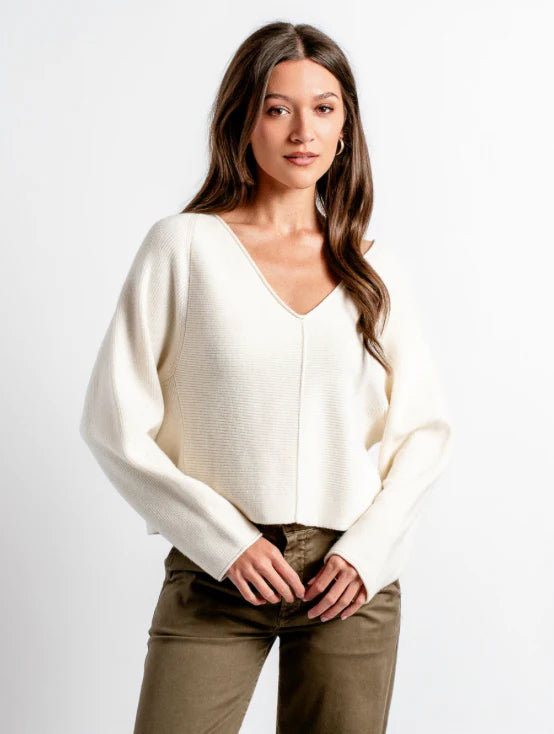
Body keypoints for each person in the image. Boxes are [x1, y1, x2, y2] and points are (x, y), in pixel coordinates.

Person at [79, 20, 453, 734]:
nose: (302, 131)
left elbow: (426, 434)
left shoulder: (373, 269)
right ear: (242, 121)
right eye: (277, 108)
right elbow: (113, 422)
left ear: (345, 128)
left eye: (323, 108)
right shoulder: (183, 248)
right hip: (218, 572)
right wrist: (226, 542)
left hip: (349, 582)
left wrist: (367, 553)